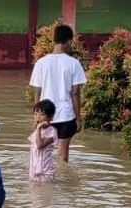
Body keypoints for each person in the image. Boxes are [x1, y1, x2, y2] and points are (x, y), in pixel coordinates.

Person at [29, 23, 87, 163]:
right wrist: (78, 118)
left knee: (42, 153)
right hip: (66, 115)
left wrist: (36, 116)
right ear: (68, 41)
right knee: (63, 155)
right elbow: (75, 93)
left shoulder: (41, 63)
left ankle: (43, 181)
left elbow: (37, 91)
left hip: (45, 114)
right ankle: (62, 182)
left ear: (54, 40)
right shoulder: (73, 63)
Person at [28, 99, 57, 182]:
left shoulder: (52, 131)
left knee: (45, 192)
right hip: (34, 169)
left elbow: (39, 145)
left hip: (45, 170)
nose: (38, 117)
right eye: (36, 114)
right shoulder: (37, 130)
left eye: (42, 114)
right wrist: (38, 128)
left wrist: (38, 128)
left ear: (50, 117)